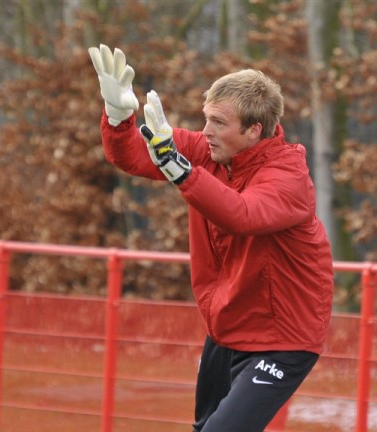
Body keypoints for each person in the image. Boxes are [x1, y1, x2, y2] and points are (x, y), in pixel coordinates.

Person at [88, 44, 334, 432]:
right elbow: (134, 155)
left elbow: (243, 214)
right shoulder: (209, 152)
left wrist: (181, 170)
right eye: (206, 119)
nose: (206, 132)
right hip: (228, 328)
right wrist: (119, 118)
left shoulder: (288, 176)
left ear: (254, 131)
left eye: (218, 122)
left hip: (284, 338)